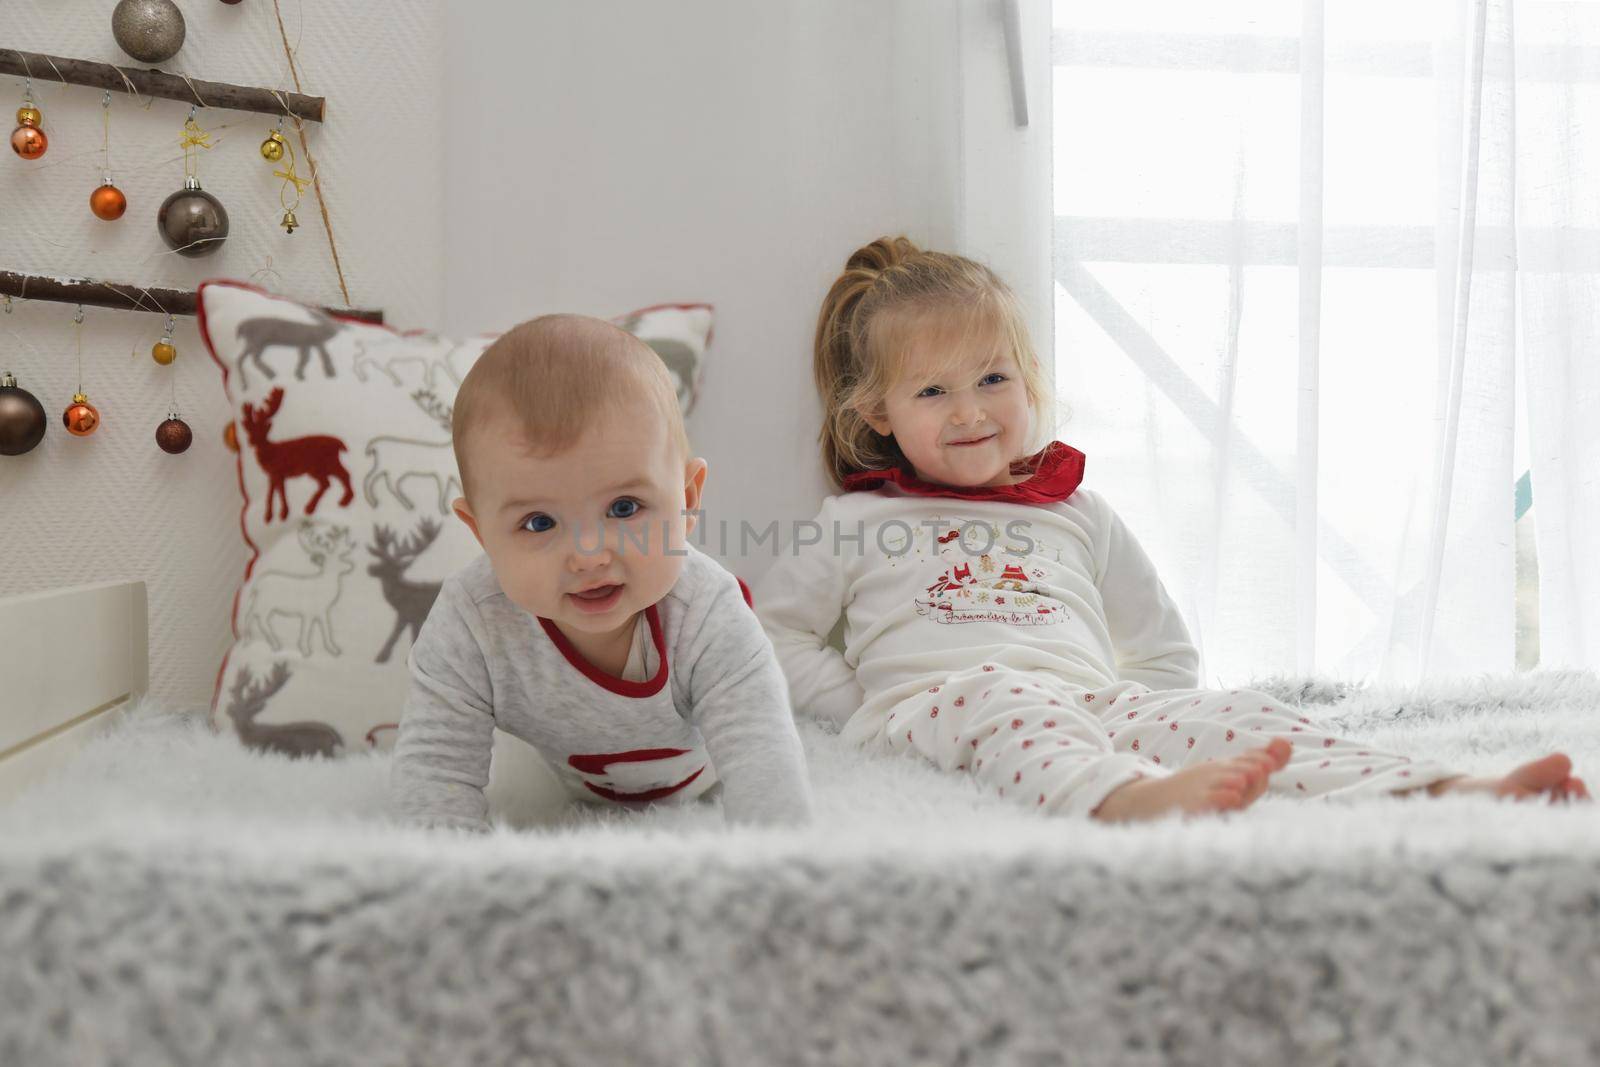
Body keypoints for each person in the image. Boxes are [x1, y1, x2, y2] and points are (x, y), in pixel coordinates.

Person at [755, 236, 1589, 822]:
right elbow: (775, 633)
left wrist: (1152, 717)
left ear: (1030, 378)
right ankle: (1122, 798)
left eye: (992, 377)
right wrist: (868, 702)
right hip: (944, 704)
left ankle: (1441, 789)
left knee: (1244, 711)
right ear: (878, 413)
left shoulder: (1073, 510)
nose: (971, 410)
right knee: (1004, 695)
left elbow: (1162, 651)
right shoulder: (862, 520)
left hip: (1087, 700)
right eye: (933, 393)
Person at [391, 314, 812, 832]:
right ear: (481, 535)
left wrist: (782, 875)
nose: (588, 555)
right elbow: (436, 772)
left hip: (707, 780)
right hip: (572, 790)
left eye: (624, 508)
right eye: (539, 522)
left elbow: (761, 756)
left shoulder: (706, 613)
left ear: (687, 498)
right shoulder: (472, 621)